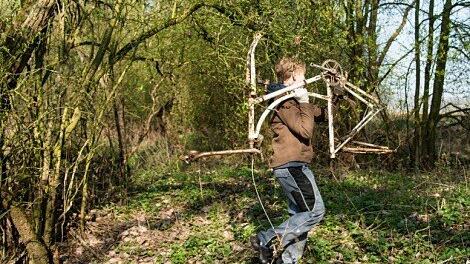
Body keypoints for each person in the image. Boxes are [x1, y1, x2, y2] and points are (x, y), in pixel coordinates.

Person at [251, 57, 331, 264]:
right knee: (315, 212)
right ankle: (266, 238)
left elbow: (323, 115)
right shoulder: (285, 103)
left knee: (300, 216)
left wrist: (337, 95)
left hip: (292, 166)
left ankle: (287, 260)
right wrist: (303, 101)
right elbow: (305, 130)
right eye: (302, 76)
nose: (305, 81)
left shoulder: (294, 101)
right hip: (292, 166)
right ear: (294, 76)